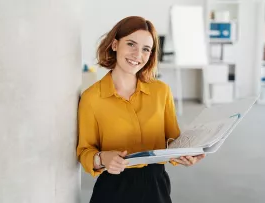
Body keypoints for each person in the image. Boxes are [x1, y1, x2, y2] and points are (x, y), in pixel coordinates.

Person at [77, 16, 205, 203]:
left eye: (146, 49)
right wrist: (103, 158)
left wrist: (186, 154)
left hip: (156, 186)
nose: (138, 55)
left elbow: (173, 140)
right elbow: (84, 151)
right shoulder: (92, 97)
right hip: (112, 188)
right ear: (114, 45)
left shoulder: (161, 91)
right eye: (131, 44)